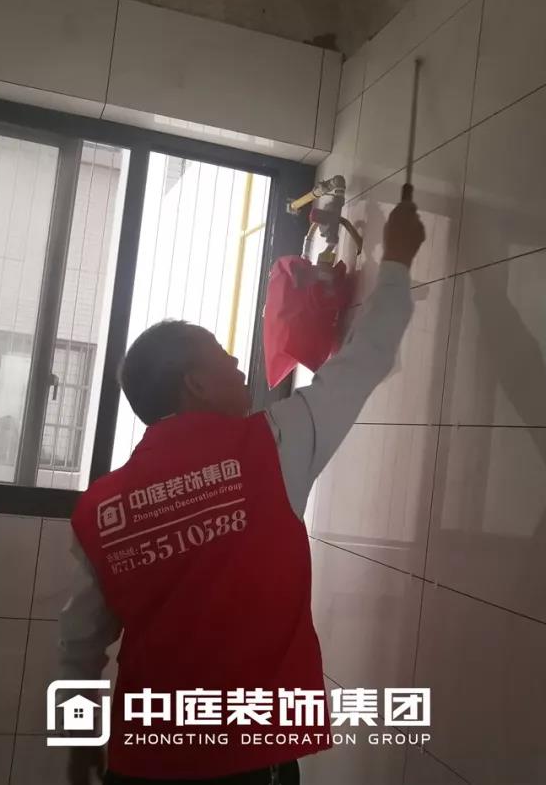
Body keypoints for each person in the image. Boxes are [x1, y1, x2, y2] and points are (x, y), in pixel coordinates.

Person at [59, 200, 426, 785]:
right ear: (196, 383)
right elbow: (363, 360)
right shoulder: (272, 445)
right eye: (221, 354)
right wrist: (399, 258)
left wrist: (77, 743)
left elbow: (79, 645)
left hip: (143, 761)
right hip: (246, 759)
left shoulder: (100, 510)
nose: (236, 361)